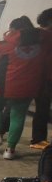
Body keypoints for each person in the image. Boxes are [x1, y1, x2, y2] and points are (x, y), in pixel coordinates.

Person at [0, 16, 52, 160]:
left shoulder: (8, 41)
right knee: (18, 116)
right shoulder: (44, 40)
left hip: (6, 83)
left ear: (14, 29)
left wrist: (6, 37)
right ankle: (10, 150)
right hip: (29, 86)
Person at [29, 8, 52, 149]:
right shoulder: (44, 35)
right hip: (44, 78)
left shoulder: (36, 34)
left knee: (42, 108)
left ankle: (38, 139)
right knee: (42, 108)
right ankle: (38, 139)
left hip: (41, 77)